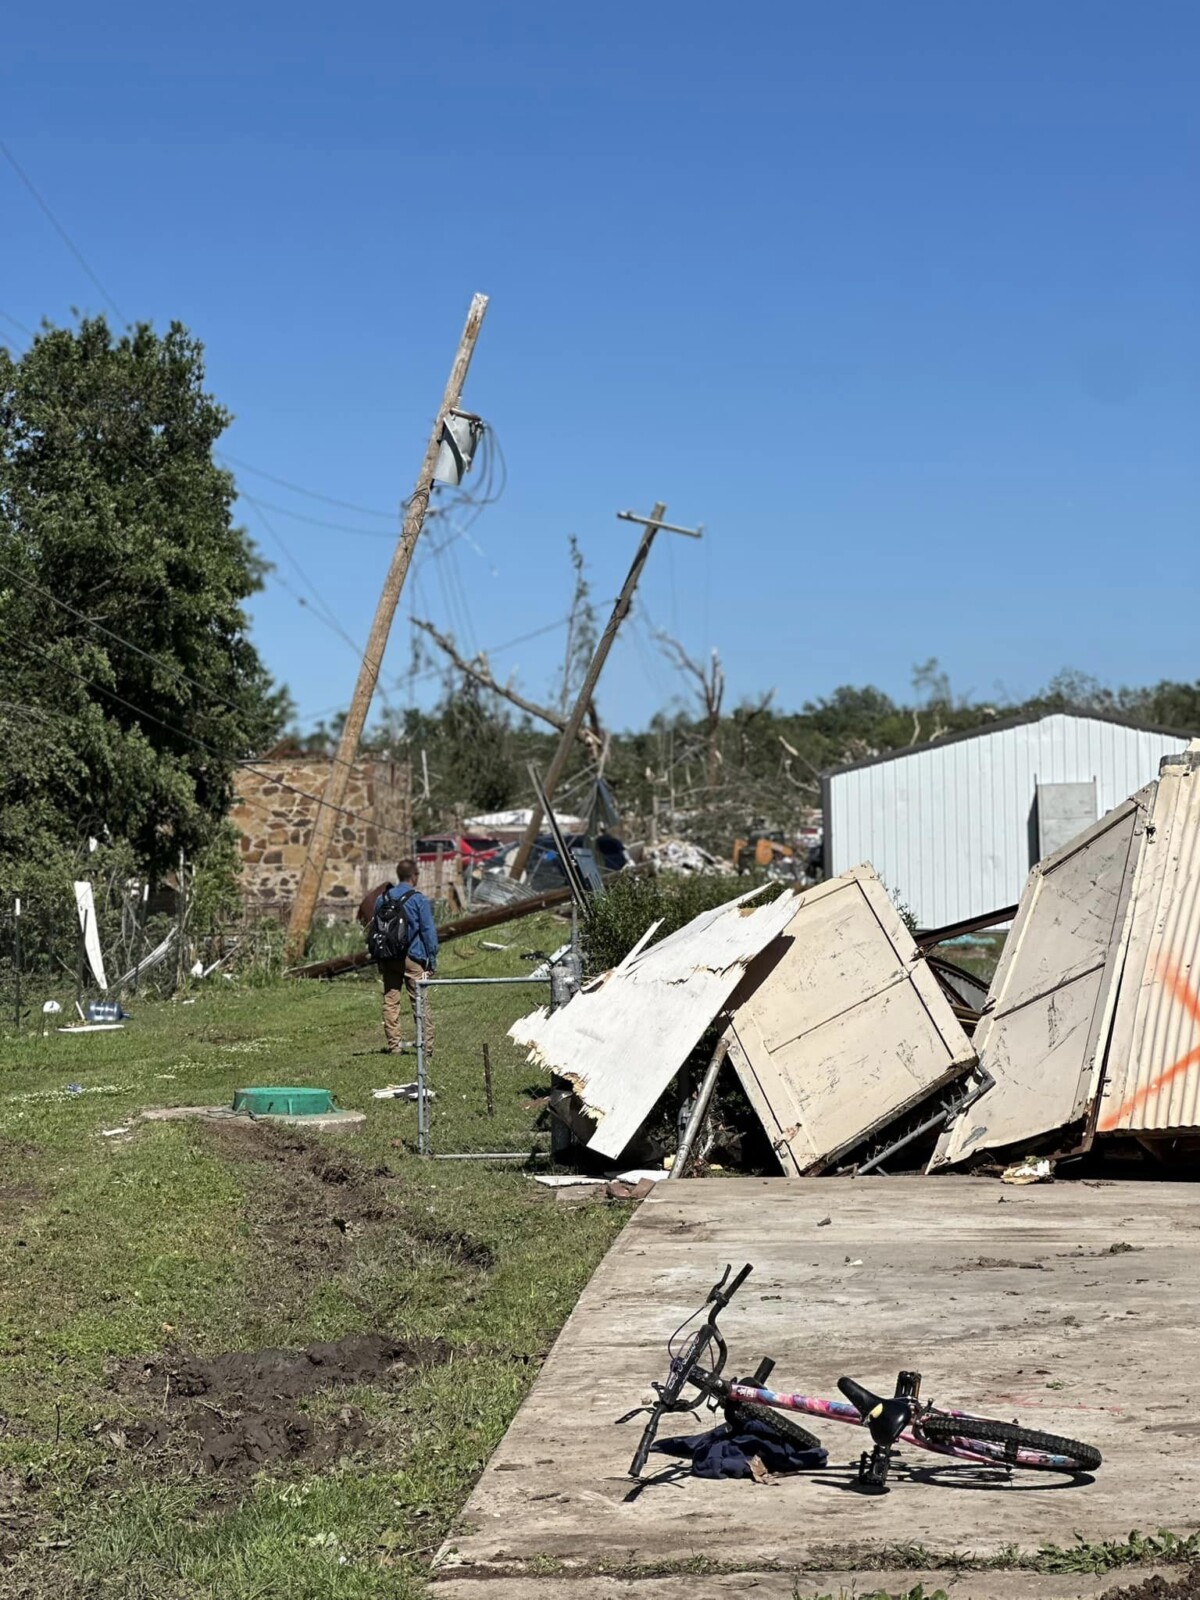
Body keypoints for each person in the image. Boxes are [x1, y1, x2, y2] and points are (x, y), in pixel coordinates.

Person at [373, 858, 438, 1056]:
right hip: (412, 956)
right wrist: (432, 960)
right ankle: (426, 1047)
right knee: (419, 1000)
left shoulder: (382, 899)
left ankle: (394, 1046)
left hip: (389, 957)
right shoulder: (418, 899)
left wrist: (380, 959)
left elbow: (376, 929)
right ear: (414, 876)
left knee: (391, 1001)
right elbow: (428, 931)